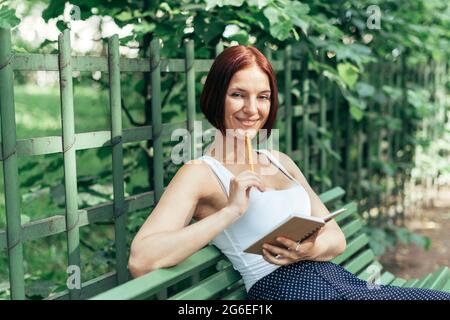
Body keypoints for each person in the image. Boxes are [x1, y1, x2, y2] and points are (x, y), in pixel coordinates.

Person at [128, 45, 450, 300]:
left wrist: (308, 249)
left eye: (263, 97)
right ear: (216, 97)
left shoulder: (280, 159)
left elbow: (336, 238)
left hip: (340, 281)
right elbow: (142, 259)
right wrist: (230, 211)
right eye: (238, 94)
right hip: (283, 291)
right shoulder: (199, 173)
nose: (252, 109)